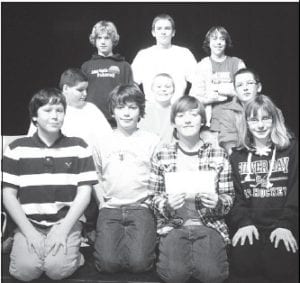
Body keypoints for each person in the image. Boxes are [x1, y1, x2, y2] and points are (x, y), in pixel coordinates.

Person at [2, 88, 98, 281]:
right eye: (47, 110)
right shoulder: (15, 148)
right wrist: (30, 233)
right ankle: (21, 241)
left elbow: (84, 194)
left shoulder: (79, 146)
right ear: (34, 117)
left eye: (59, 110)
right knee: (24, 272)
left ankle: (75, 255)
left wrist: (63, 231)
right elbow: (8, 195)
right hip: (29, 223)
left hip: (65, 222)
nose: (55, 116)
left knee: (56, 270)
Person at [149, 96, 235, 283]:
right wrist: (166, 204)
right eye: (181, 115)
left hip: (209, 225)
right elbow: (153, 197)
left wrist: (218, 202)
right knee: (174, 276)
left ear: (203, 120)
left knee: (213, 276)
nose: (187, 120)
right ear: (173, 122)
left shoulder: (218, 154)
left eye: (194, 115)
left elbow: (229, 197)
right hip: (173, 226)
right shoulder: (162, 154)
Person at [228, 95, 298, 283]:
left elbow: (295, 191)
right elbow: (234, 196)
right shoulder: (237, 156)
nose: (260, 125)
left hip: (282, 225)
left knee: (281, 272)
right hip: (251, 225)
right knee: (243, 267)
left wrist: (286, 224)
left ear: (274, 120)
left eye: (265, 118)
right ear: (247, 123)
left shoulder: (291, 149)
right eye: (254, 120)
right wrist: (243, 222)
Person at [92, 84, 160, 273]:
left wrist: (150, 203)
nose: (127, 113)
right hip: (110, 209)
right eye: (121, 107)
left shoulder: (152, 140)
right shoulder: (101, 140)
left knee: (140, 265)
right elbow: (95, 174)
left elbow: (159, 178)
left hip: (141, 208)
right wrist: (101, 203)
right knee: (107, 265)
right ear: (113, 111)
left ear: (140, 111)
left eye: (132, 107)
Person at [28, 68, 112, 149]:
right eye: (80, 90)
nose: (85, 94)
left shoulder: (91, 109)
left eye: (86, 89)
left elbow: (108, 139)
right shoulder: (46, 109)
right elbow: (32, 143)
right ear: (66, 88)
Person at [131, 14, 197, 103]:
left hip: (177, 111)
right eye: (159, 28)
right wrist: (142, 103)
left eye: (167, 28)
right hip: (150, 111)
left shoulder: (184, 53)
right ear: (153, 32)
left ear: (173, 32)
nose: (163, 32)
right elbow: (131, 83)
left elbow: (198, 82)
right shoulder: (143, 55)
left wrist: (187, 104)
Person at [190, 26, 246, 126]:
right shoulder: (202, 66)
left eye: (222, 39)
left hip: (236, 120)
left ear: (226, 42)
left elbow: (246, 91)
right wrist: (209, 99)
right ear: (208, 43)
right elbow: (194, 98)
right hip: (211, 123)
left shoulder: (237, 63)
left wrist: (220, 89)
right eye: (214, 39)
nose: (218, 42)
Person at [81, 20, 133, 126]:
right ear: (94, 40)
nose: (103, 42)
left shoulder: (124, 66)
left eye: (107, 38)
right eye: (99, 38)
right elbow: (81, 93)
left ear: (113, 40)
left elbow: (130, 94)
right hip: (91, 119)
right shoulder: (86, 66)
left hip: (116, 119)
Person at [210, 68, 262, 155]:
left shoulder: (271, 110)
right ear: (235, 91)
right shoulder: (228, 112)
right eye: (240, 85)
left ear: (259, 87)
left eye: (249, 83)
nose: (245, 88)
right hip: (240, 159)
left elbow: (280, 137)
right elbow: (229, 142)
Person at [139, 73, 175, 143]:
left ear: (173, 90)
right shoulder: (143, 111)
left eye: (167, 87)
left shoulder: (177, 112)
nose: (163, 89)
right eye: (159, 87)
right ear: (152, 89)